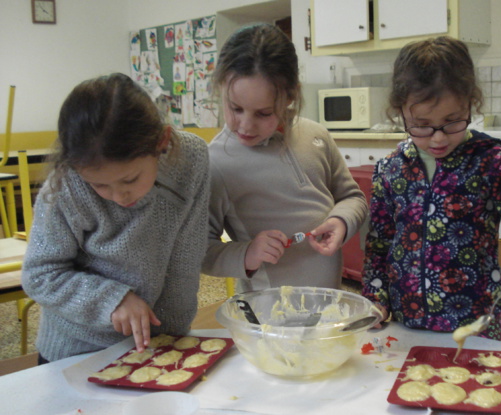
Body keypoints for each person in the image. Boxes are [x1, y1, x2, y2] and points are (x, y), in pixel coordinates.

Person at [362, 37, 501, 340]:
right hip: (405, 322)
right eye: (422, 125)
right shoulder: (391, 168)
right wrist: (376, 299)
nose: (438, 138)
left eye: (452, 121)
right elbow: (379, 244)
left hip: (475, 322)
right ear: (400, 112)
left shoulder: (495, 160)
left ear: (470, 103)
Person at [22, 73, 211, 362]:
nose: (119, 196)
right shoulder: (66, 185)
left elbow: (185, 258)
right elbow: (40, 275)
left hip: (157, 345)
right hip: (76, 350)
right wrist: (112, 299)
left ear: (162, 142)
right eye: (99, 186)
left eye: (130, 179)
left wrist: (170, 341)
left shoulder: (192, 158)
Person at [203, 23, 368, 292]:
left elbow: (353, 198)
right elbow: (201, 251)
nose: (246, 125)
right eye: (235, 108)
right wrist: (247, 253)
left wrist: (341, 221)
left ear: (290, 95)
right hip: (266, 316)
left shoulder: (316, 135)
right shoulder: (216, 162)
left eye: (264, 113)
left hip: (329, 301)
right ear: (221, 88)